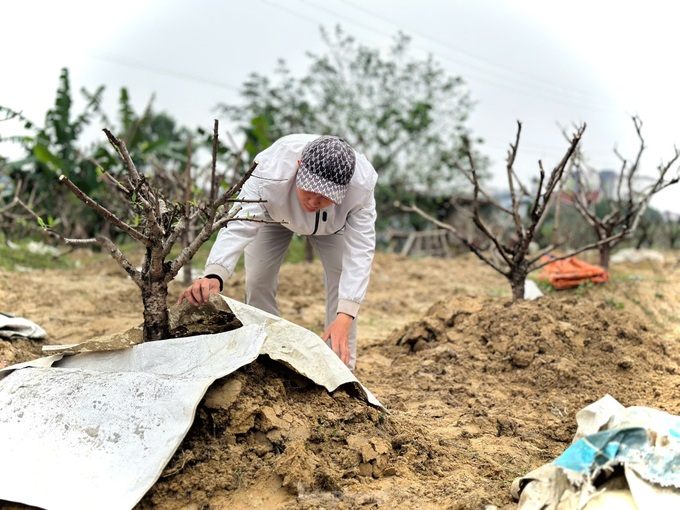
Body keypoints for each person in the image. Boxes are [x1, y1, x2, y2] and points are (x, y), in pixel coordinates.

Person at [178, 134, 378, 371]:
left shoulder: (361, 187)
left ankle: (341, 371)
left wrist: (346, 315)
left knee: (342, 286)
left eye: (325, 196)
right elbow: (240, 222)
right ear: (299, 167)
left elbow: (360, 251)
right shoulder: (269, 171)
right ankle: (267, 359)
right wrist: (214, 274)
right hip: (273, 215)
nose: (314, 201)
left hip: (334, 226)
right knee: (258, 279)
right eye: (310, 190)